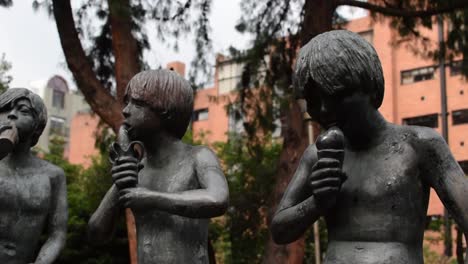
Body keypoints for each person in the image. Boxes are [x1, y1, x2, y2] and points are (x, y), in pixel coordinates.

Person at [270, 30, 468, 263]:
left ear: (370, 87)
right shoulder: (317, 156)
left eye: (336, 96)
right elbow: (280, 229)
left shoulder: (419, 145)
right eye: (313, 101)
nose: (323, 110)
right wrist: (316, 203)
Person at [88, 69, 229, 263]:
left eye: (137, 103)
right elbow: (96, 234)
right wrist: (119, 186)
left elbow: (218, 199)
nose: (126, 110)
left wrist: (152, 198)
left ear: (166, 110)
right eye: (127, 102)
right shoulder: (138, 169)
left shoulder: (198, 156)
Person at [0, 88, 67, 263]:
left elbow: (58, 234)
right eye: (5, 109)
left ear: (37, 127)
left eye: (23, 111)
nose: (11, 115)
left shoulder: (53, 175)